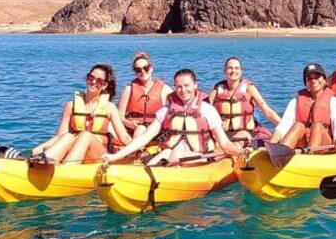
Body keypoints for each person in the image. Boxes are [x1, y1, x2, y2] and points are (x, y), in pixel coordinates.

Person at [103, 69, 243, 166]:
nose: (183, 90)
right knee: (158, 159)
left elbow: (224, 143)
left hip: (199, 158)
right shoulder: (166, 110)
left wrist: (242, 153)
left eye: (187, 85)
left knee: (175, 153)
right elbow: (144, 138)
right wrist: (115, 156)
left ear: (195, 85)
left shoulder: (207, 110)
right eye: (179, 87)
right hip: (171, 155)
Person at [31, 64, 131, 164]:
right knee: (68, 136)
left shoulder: (110, 108)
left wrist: (138, 149)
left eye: (99, 80)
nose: (93, 82)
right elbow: (59, 136)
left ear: (104, 85)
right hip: (76, 151)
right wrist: (42, 146)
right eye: (91, 78)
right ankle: (41, 163)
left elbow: (124, 137)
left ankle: (66, 169)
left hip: (98, 155)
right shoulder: (71, 106)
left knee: (86, 135)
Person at [270, 63, 336, 152]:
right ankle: (280, 153)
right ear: (306, 83)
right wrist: (272, 143)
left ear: (324, 80)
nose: (313, 80)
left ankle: (311, 154)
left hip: (324, 146)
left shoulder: (334, 102)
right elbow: (284, 125)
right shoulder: (294, 102)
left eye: (317, 77)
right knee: (298, 125)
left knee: (317, 126)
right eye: (309, 78)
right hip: (303, 144)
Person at [208, 57, 281, 144]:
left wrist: (283, 127)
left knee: (242, 137)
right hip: (223, 134)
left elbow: (266, 110)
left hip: (245, 134)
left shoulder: (249, 89)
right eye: (230, 68)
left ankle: (235, 149)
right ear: (225, 71)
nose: (233, 71)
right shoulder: (217, 90)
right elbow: (205, 110)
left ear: (241, 71)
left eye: (236, 68)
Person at [117, 52, 172, 138]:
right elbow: (120, 115)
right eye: (138, 70)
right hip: (133, 127)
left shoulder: (165, 89)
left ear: (151, 68)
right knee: (140, 129)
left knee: (141, 129)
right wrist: (128, 123)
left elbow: (175, 110)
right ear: (135, 72)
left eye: (146, 68)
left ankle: (136, 146)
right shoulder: (129, 89)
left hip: (154, 129)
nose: (142, 71)